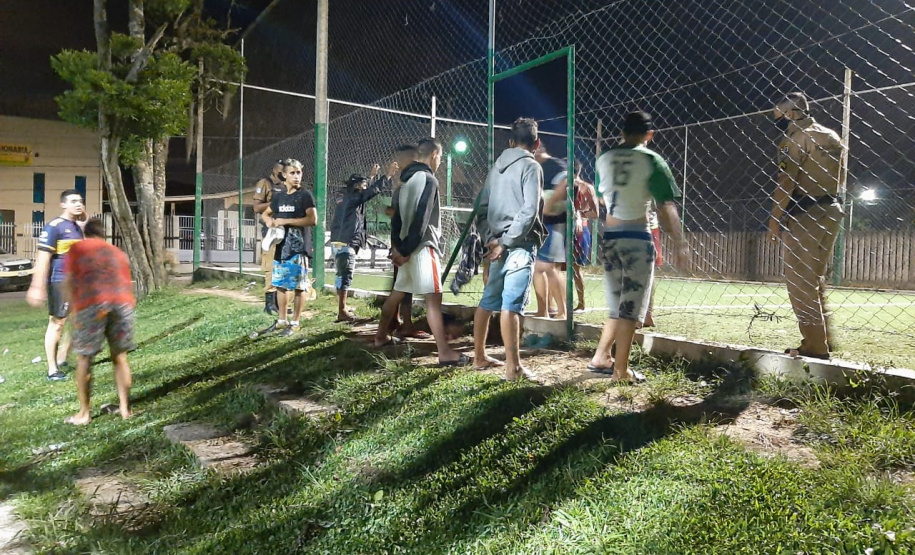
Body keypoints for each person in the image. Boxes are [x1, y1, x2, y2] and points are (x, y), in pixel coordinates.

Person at [590, 111, 688, 382]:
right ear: (649, 135)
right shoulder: (651, 159)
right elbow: (665, 205)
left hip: (610, 238)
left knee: (617, 304)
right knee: (631, 309)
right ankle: (620, 371)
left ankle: (602, 356)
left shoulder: (604, 158)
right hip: (637, 236)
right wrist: (680, 243)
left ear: (621, 132)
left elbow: (601, 196)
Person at [375, 138, 467, 366]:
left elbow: (396, 220)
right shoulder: (429, 179)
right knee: (434, 299)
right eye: (441, 156)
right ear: (435, 155)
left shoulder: (403, 184)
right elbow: (422, 218)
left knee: (397, 294)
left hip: (406, 247)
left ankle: (380, 336)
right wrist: (406, 249)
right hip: (422, 247)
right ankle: (445, 352)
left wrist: (398, 247)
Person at [767, 92, 844, 359]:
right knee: (815, 279)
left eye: (778, 116)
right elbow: (841, 174)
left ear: (789, 113)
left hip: (805, 213)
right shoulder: (831, 135)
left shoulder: (793, 139)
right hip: (831, 209)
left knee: (800, 281)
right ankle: (825, 338)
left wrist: (774, 220)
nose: (777, 121)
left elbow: (787, 181)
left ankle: (815, 345)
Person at [473, 118, 545, 381]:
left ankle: (478, 356)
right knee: (512, 304)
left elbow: (481, 209)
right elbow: (529, 211)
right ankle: (513, 368)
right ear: (536, 143)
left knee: (488, 300)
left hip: (496, 245)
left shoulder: (495, 169)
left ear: (511, 142)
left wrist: (492, 239)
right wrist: (506, 242)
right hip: (518, 244)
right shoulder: (531, 166)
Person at [62, 218, 135, 424]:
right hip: (122, 304)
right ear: (104, 235)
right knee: (120, 357)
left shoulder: (78, 248)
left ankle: (84, 414)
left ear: (86, 234)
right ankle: (124, 409)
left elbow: (69, 281)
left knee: (85, 359)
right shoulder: (117, 252)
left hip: (92, 303)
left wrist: (72, 309)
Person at [26, 189, 85, 381]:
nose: (78, 204)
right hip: (60, 281)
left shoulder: (76, 226)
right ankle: (52, 370)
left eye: (80, 201)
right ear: (63, 204)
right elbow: (43, 259)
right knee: (57, 323)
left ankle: (62, 358)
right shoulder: (54, 227)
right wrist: (37, 286)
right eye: (74, 201)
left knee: (77, 321)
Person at [261, 159, 317, 337]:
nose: (296, 176)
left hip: (299, 248)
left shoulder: (305, 195)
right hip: (281, 248)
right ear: (284, 175)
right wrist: (270, 222)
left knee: (300, 287)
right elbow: (265, 213)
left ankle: (295, 322)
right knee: (280, 286)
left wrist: (286, 221)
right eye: (292, 173)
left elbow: (312, 220)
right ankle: (281, 320)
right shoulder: (279, 196)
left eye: (298, 172)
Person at [330, 165, 393, 322]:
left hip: (341, 239)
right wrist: (387, 177)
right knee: (345, 274)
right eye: (363, 184)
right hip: (346, 240)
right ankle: (342, 311)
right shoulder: (352, 197)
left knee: (342, 273)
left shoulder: (345, 195)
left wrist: (371, 177)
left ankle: (342, 307)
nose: (365, 187)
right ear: (357, 186)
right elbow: (367, 194)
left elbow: (363, 193)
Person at [383, 144, 430, 339]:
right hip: (405, 245)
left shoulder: (407, 183)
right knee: (402, 287)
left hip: (402, 243)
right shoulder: (408, 185)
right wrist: (399, 247)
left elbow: (395, 215)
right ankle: (400, 324)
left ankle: (393, 325)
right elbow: (400, 218)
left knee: (401, 287)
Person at [532, 145, 569, 319]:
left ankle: (561, 311)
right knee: (542, 268)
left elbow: (566, 181)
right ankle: (545, 310)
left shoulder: (555, 164)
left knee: (547, 267)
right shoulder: (534, 167)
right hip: (541, 224)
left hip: (554, 224)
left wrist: (549, 203)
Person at [252, 160, 286, 315]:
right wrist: (274, 203)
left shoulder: (288, 185)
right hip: (271, 228)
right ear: (274, 171)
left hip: (286, 228)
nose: (283, 175)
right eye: (281, 172)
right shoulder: (265, 183)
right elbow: (257, 207)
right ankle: (269, 302)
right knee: (271, 266)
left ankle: (281, 303)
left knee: (283, 267)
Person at [572, 162, 599, 312]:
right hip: (561, 229)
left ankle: (581, 303)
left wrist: (578, 214)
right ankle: (557, 304)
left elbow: (595, 213)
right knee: (553, 267)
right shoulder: (560, 186)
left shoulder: (586, 187)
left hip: (579, 230)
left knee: (575, 268)